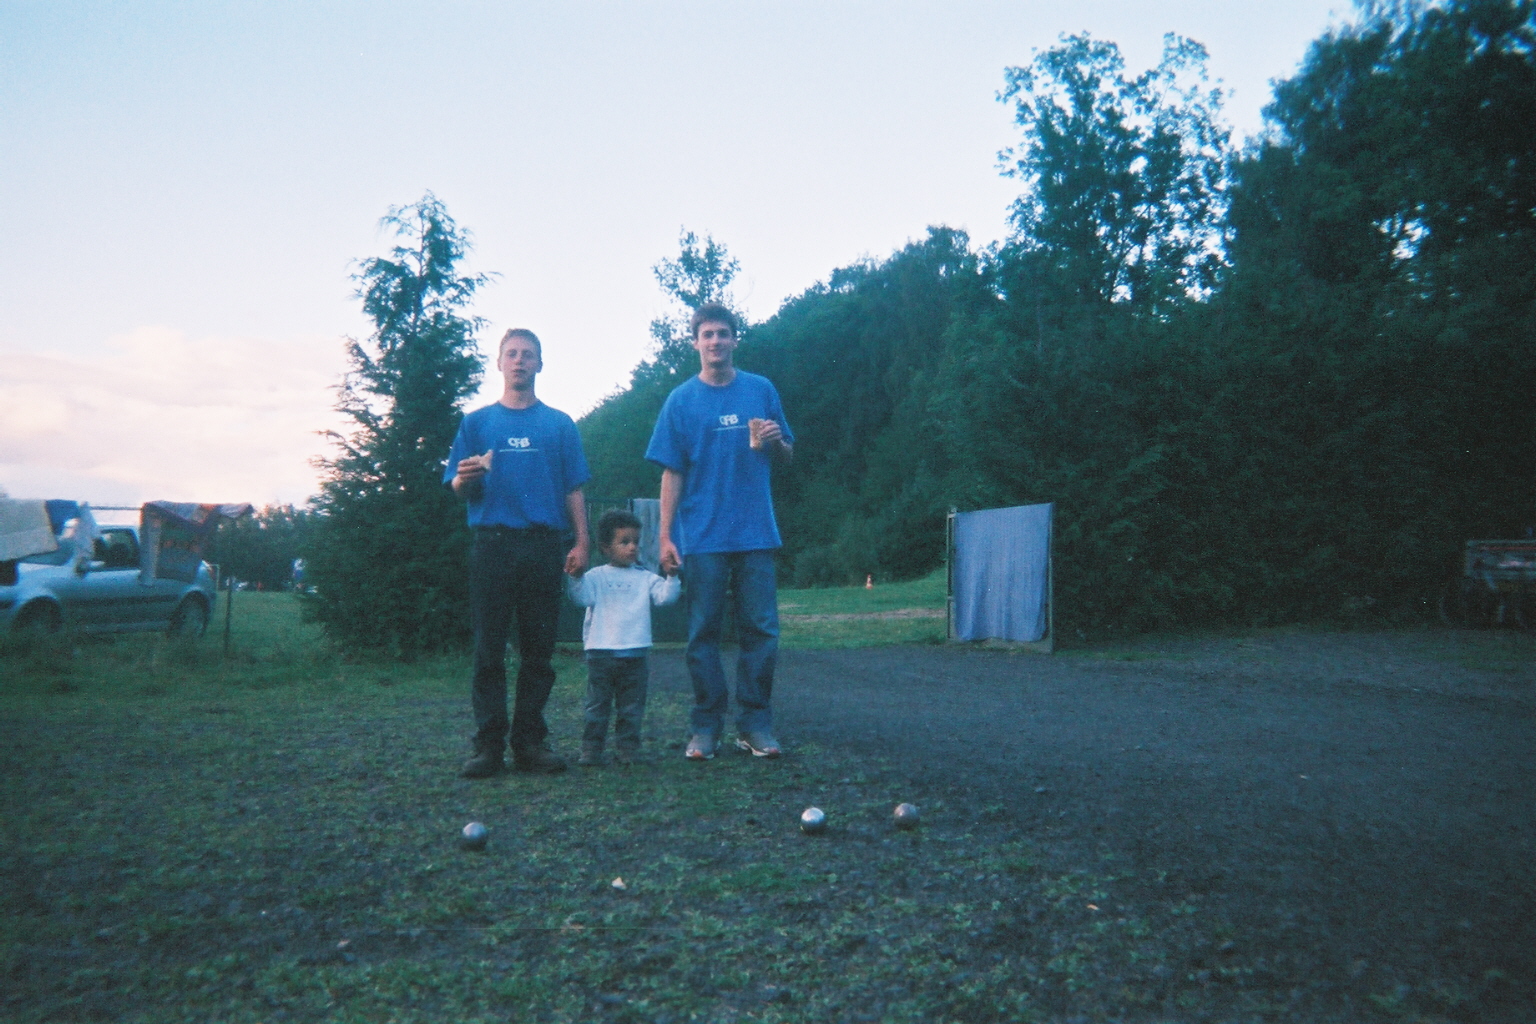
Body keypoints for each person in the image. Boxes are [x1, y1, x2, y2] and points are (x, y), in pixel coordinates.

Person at [645, 302, 794, 761]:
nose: (715, 341)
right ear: (695, 343)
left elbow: (787, 455)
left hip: (755, 534)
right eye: (707, 334)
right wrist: (665, 537)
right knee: (702, 634)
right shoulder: (680, 400)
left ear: (734, 340)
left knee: (761, 632)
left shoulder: (761, 389)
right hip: (703, 536)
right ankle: (705, 727)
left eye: (723, 333)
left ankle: (755, 725)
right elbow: (671, 473)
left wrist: (776, 442)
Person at [445, 328, 591, 777]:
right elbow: (457, 486)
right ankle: (488, 746)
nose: (520, 361)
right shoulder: (476, 423)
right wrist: (466, 478)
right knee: (489, 650)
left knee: (538, 652)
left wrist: (582, 541)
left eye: (528, 354)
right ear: (499, 363)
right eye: (511, 353)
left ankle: (530, 743)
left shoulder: (559, 424)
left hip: (543, 545)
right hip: (492, 545)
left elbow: (574, 489)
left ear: (540, 364)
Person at [566, 508, 681, 766]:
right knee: (597, 705)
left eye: (636, 542)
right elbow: (581, 598)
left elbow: (666, 598)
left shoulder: (645, 577)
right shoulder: (595, 577)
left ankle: (627, 749)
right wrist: (574, 578)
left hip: (635, 655)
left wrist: (672, 575)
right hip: (600, 654)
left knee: (631, 707)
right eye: (624, 542)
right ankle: (591, 749)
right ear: (605, 547)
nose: (632, 547)